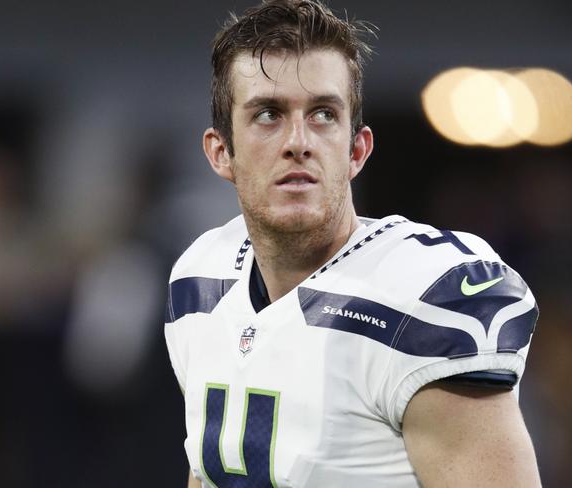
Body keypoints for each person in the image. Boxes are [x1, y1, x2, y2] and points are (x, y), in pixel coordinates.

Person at [164, 1, 541, 486]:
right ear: (221, 152)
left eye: (323, 114)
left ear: (356, 150)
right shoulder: (201, 281)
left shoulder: (423, 301)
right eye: (268, 114)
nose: (297, 141)